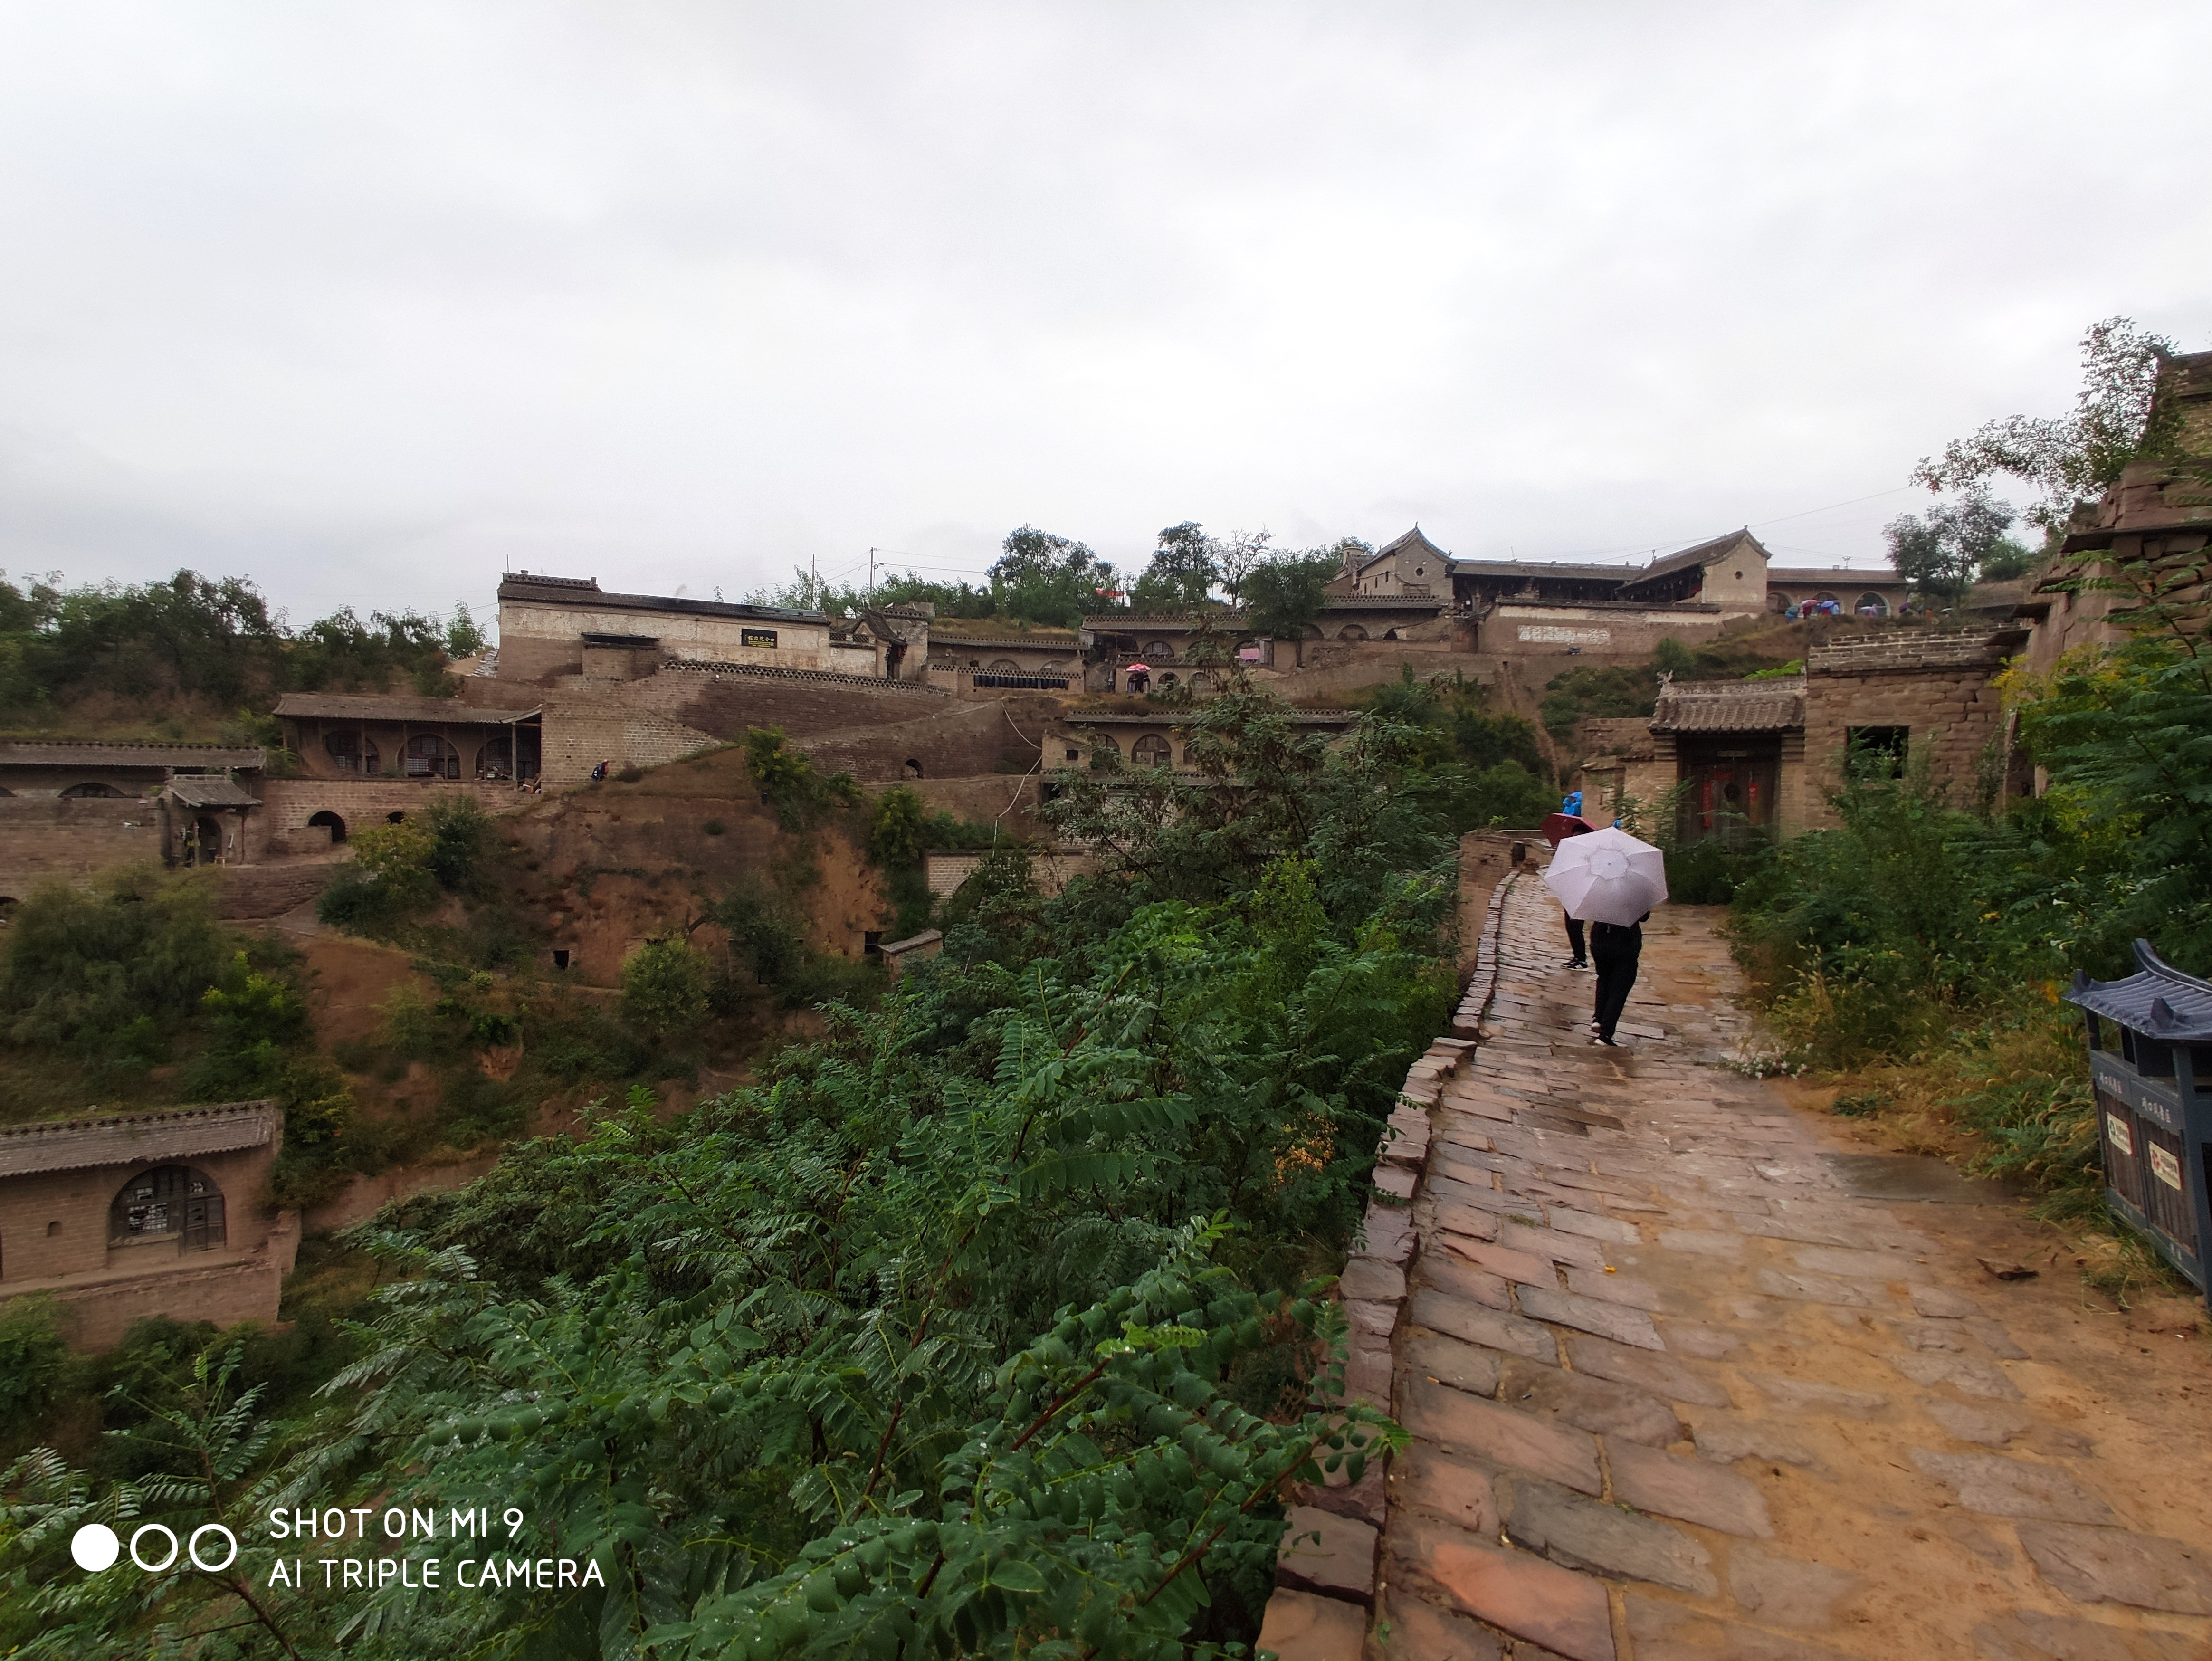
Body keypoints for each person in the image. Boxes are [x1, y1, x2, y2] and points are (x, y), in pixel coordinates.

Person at [1590, 910, 1650, 1045]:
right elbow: (1644, 917)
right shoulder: (1635, 891)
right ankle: (1605, 1034)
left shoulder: (1598, 890)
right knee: (1619, 988)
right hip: (1625, 943)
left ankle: (1598, 1019)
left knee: (1604, 978)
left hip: (1599, 940)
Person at [1556, 792, 1590, 970]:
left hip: (1582, 894)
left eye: (1579, 833)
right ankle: (1577, 957)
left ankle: (1582, 959)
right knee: (1570, 927)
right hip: (1570, 893)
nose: (1576, 835)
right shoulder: (1571, 851)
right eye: (1574, 833)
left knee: (1576, 927)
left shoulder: (1588, 854)